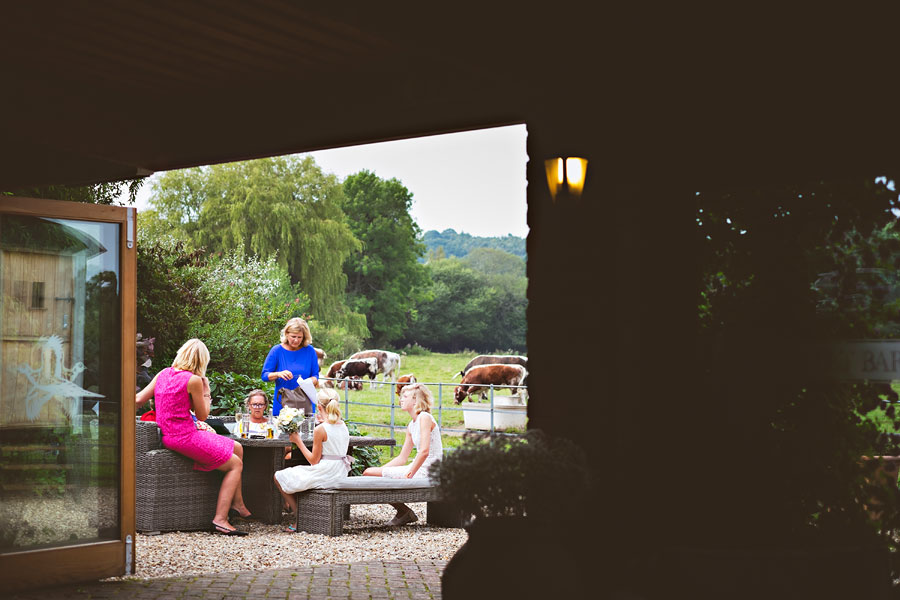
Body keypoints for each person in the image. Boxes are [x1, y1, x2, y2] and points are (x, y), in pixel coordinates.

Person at [135, 338, 252, 536]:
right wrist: (206, 391)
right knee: (235, 464)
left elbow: (138, 399)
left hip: (171, 436)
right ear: (201, 361)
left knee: (237, 448)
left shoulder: (164, 373)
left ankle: (238, 504)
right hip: (185, 437)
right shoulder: (194, 380)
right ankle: (220, 519)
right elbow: (203, 416)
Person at [362, 382, 443, 526]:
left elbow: (424, 451)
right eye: (401, 396)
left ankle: (404, 512)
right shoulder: (411, 425)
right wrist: (382, 470)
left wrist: (409, 474)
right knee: (370, 473)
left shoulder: (424, 417)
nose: (401, 399)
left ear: (415, 400)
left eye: (405, 396)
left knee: (369, 473)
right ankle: (404, 511)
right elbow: (402, 458)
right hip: (416, 467)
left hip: (430, 470)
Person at [273, 387, 351, 531]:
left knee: (279, 476)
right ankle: (302, 510)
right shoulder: (343, 425)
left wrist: (298, 441)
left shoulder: (321, 429)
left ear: (319, 407)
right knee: (297, 473)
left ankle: (299, 516)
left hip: (326, 471)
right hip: (341, 470)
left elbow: (314, 461)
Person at [261, 317, 320, 417]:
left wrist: (307, 382)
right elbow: (264, 375)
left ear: (304, 337)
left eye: (299, 337)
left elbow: (315, 376)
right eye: (293, 336)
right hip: (283, 404)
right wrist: (278, 374)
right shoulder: (277, 350)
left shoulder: (309, 351)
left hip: (305, 403)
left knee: (305, 431)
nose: (296, 340)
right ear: (286, 334)